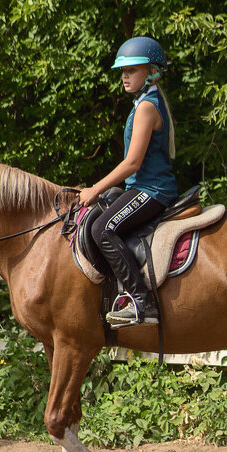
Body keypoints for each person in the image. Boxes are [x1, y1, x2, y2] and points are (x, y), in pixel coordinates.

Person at [78, 36, 178, 328]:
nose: (124, 75)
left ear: (152, 71)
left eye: (132, 69)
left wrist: (94, 189)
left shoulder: (148, 107)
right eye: (122, 70)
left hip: (152, 190)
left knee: (102, 228)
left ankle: (141, 303)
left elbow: (132, 163)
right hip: (140, 188)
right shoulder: (143, 103)